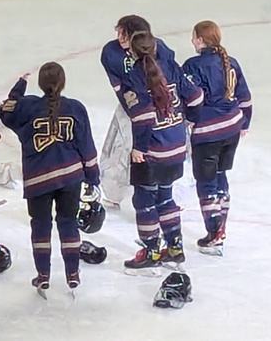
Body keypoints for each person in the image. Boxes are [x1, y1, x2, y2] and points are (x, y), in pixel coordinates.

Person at [0, 62, 100, 293]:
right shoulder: (75, 108)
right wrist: (93, 177)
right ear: (63, 83)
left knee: (40, 226)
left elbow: (6, 111)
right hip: (70, 177)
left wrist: (19, 86)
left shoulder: (26, 107)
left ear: (40, 84)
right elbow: (86, 145)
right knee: (68, 223)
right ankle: (72, 273)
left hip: (38, 179)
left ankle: (43, 275)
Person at [120, 32, 203, 273]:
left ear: (132, 53)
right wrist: (190, 121)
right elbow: (196, 96)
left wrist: (139, 148)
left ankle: (152, 251)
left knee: (144, 200)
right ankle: (175, 248)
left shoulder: (133, 76)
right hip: (176, 146)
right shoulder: (170, 66)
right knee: (165, 197)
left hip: (153, 151)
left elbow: (143, 117)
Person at [182, 20, 252, 255]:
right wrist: (245, 123)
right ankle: (220, 226)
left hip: (209, 133)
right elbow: (245, 97)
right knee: (220, 176)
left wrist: (187, 121)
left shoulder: (192, 65)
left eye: (194, 37)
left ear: (201, 40)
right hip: (232, 127)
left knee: (206, 182)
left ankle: (215, 233)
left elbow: (192, 99)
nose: (192, 41)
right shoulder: (231, 62)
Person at [99, 15, 177, 208]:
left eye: (124, 33)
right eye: (118, 32)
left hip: (161, 107)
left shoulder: (160, 47)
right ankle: (116, 192)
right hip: (132, 109)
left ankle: (162, 191)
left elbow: (173, 76)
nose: (119, 37)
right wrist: (134, 113)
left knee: (162, 150)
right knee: (120, 150)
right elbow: (119, 88)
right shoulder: (111, 52)